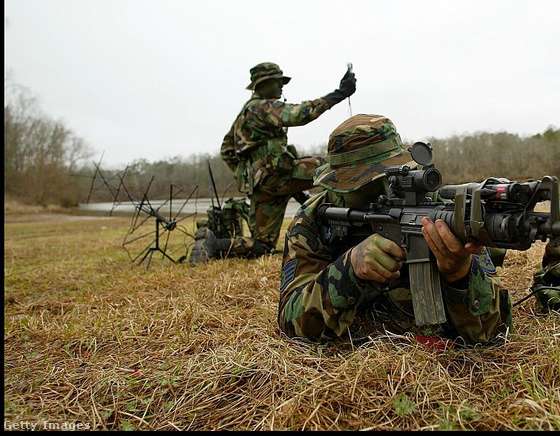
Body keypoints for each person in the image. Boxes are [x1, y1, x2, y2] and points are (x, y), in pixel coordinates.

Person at [277, 114, 513, 345]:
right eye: (366, 184)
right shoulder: (312, 221)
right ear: (338, 187)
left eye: (392, 178)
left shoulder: (437, 210)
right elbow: (291, 321)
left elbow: (496, 332)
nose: (386, 192)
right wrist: (349, 269)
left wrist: (459, 275)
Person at [202, 61, 356, 265]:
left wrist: (249, 174)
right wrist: (340, 93)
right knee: (336, 165)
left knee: (261, 244)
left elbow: (227, 150)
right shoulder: (262, 107)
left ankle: (214, 245)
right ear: (262, 85)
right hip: (275, 176)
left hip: (262, 185)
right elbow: (300, 114)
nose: (281, 86)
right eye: (276, 82)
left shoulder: (244, 113)